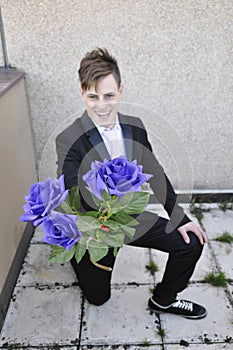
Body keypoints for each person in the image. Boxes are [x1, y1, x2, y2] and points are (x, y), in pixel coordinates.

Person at [56, 48, 208, 319]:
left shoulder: (134, 127)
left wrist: (180, 217)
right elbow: (72, 192)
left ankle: (164, 299)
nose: (101, 105)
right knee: (98, 299)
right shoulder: (68, 139)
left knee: (191, 242)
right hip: (97, 224)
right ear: (82, 94)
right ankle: (78, 260)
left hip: (130, 217)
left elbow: (155, 173)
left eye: (109, 95)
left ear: (121, 91)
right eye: (93, 97)